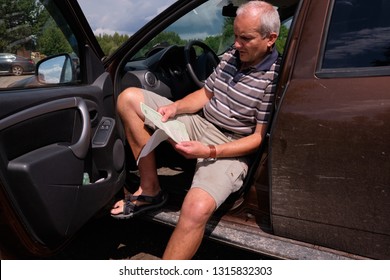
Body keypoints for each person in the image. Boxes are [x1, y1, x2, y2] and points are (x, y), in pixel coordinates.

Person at [111, 0, 281, 260]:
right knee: (129, 98)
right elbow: (205, 93)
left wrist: (209, 151)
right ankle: (150, 190)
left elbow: (257, 138)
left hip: (231, 145)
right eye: (235, 36)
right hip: (201, 123)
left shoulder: (274, 77)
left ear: (271, 39)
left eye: (245, 38)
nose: (236, 44)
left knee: (195, 208)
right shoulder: (232, 57)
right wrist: (176, 108)